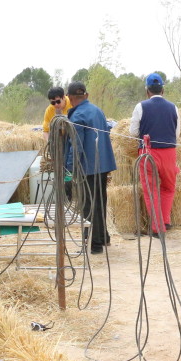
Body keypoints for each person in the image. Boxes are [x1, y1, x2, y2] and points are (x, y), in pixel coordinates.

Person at [65, 81, 116, 254]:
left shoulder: (77, 115)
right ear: (85, 95)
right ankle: (104, 237)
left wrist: (70, 168)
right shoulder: (97, 110)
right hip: (103, 164)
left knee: (88, 205)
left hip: (87, 166)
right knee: (101, 201)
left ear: (70, 98)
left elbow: (76, 145)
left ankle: (94, 244)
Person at [129, 73, 180, 236]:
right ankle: (165, 220)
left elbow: (133, 132)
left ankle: (158, 228)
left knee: (151, 190)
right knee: (168, 187)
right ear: (162, 90)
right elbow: (177, 133)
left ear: (147, 91)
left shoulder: (140, 106)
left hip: (148, 152)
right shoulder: (174, 107)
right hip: (169, 152)